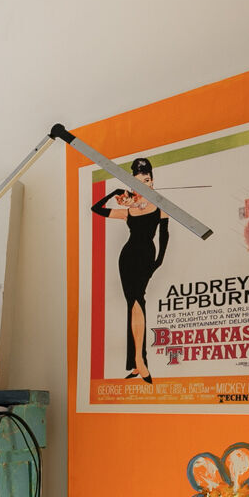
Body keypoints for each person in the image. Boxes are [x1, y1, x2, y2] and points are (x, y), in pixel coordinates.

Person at [91, 157, 169, 383]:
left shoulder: (160, 206)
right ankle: (137, 363)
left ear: (152, 181)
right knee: (133, 304)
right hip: (127, 258)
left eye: (146, 180)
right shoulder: (129, 211)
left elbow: (164, 235)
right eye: (137, 182)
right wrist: (114, 192)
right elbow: (96, 209)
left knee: (137, 301)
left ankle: (139, 361)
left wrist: (158, 261)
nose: (143, 184)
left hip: (146, 256)